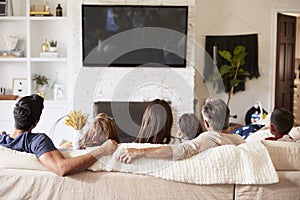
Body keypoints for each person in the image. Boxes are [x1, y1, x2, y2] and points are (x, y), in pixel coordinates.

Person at [0, 94, 118, 176]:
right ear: (36, 122)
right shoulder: (37, 141)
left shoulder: (2, 140)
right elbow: (61, 168)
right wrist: (102, 150)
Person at [117, 98, 245, 164]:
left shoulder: (209, 137)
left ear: (206, 123)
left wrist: (141, 152)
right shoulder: (240, 140)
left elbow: (181, 151)